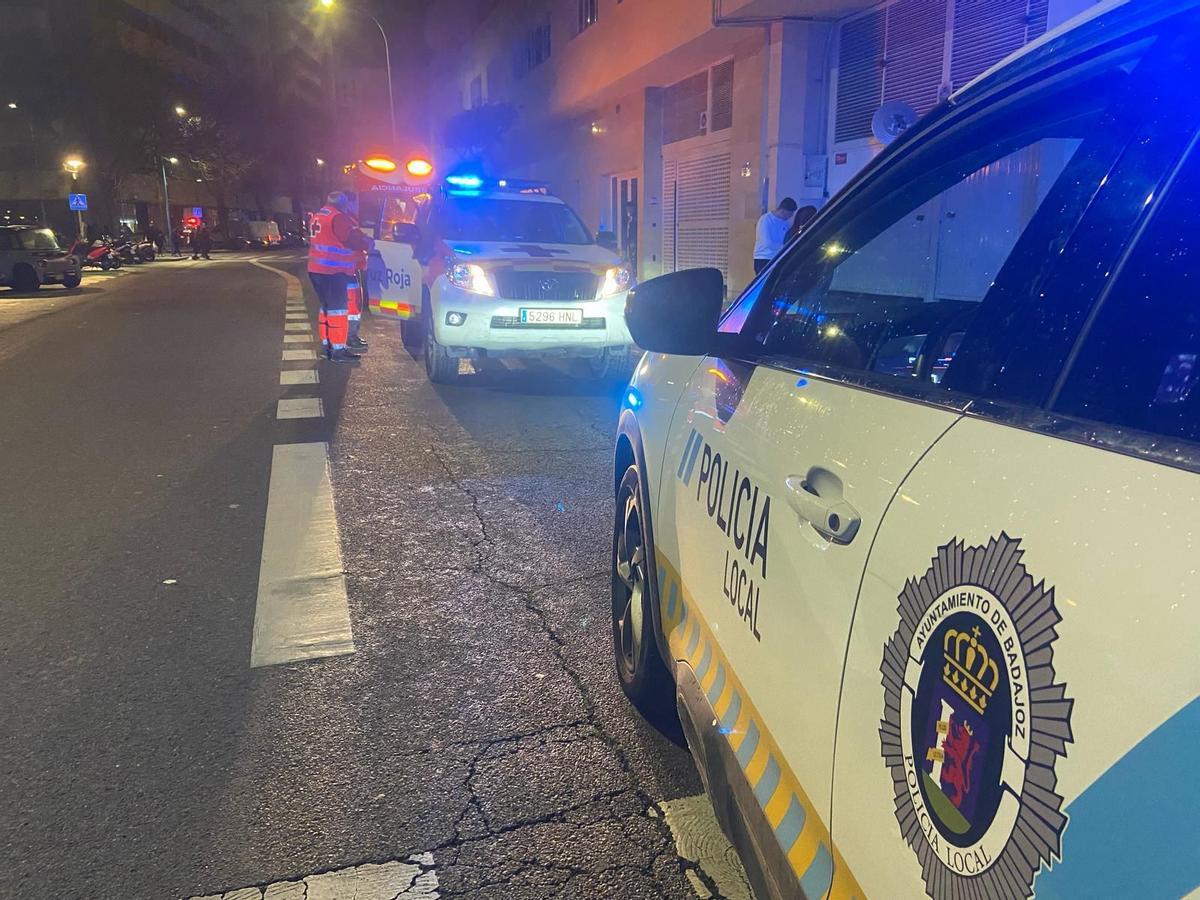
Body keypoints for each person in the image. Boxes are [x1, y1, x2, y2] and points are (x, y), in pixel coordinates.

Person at [308, 191, 375, 363]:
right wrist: (368, 243)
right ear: (342, 204)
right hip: (333, 271)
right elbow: (352, 240)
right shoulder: (338, 217)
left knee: (326, 309)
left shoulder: (319, 215)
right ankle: (338, 350)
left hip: (317, 270)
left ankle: (326, 346)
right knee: (338, 311)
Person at [753, 197, 797, 274]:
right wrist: (783, 247)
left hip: (776, 257)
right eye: (789, 215)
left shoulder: (784, 223)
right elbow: (767, 243)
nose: (789, 217)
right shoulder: (766, 220)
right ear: (783, 211)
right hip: (764, 258)